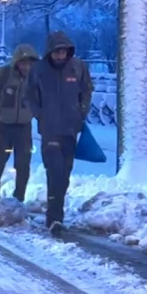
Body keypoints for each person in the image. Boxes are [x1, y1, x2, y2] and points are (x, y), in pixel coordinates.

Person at [26, 31, 94, 236]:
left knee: (64, 174)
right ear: (50, 52)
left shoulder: (78, 67)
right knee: (54, 171)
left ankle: (57, 211)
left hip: (71, 129)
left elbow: (87, 90)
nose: (60, 56)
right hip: (50, 130)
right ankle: (54, 217)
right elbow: (29, 95)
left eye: (63, 52)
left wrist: (81, 112)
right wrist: (40, 114)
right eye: (56, 52)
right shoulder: (39, 70)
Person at [0, 43, 40, 201]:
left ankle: (19, 196)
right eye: (23, 63)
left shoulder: (37, 78)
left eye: (30, 63)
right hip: (2, 126)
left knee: (23, 163)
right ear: (16, 62)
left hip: (24, 127)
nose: (26, 67)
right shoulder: (2, 74)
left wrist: (34, 112)